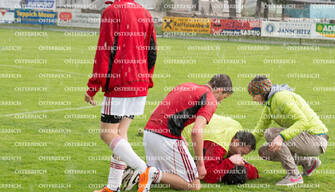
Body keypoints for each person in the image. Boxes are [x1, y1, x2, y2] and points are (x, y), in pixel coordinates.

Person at [84, 0, 157, 191]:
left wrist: (93, 86)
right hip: (139, 83)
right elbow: (152, 52)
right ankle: (113, 186)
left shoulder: (111, 11)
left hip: (119, 83)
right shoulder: (145, 13)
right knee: (120, 134)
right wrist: (146, 78)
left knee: (107, 133)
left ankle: (144, 170)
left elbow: (104, 50)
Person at [140, 74, 233, 191]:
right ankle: (152, 173)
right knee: (194, 184)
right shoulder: (210, 98)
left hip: (149, 133)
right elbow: (197, 131)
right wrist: (200, 164)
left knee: (171, 175)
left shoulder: (187, 85)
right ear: (219, 90)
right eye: (223, 97)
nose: (220, 101)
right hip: (166, 137)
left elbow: (162, 111)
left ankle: (137, 171)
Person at [248, 75, 329, 186]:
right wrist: (244, 147)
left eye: (254, 95)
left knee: (270, 133)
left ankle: (294, 175)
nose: (253, 99)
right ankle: (309, 163)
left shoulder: (281, 98)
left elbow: (303, 122)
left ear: (262, 92)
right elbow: (259, 130)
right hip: (306, 139)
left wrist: (281, 137)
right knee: (265, 152)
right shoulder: (270, 104)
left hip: (316, 139)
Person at [182, 114, 260, 184]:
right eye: (241, 153)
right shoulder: (218, 146)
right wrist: (229, 162)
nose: (240, 156)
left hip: (195, 118)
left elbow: (254, 172)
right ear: (236, 141)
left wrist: (253, 172)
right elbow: (206, 175)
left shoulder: (237, 129)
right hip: (181, 132)